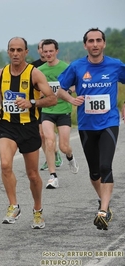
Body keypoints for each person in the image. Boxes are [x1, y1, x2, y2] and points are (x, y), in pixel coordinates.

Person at [57, 28, 125, 230]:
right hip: (87, 125)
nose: (95, 44)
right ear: (85, 45)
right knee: (94, 172)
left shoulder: (115, 65)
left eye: (98, 40)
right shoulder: (77, 66)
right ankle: (103, 202)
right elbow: (59, 89)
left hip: (109, 123)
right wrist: (70, 98)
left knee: (106, 167)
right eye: (91, 41)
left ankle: (103, 210)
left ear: (103, 44)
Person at [0, 37, 57, 229]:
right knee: (5, 164)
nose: (15, 53)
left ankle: (37, 210)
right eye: (12, 50)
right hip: (7, 126)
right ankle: (14, 205)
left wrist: (32, 103)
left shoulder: (34, 74)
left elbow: (52, 99)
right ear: (8, 51)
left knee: (33, 174)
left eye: (20, 50)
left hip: (29, 127)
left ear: (26, 52)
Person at [39, 39, 79, 189]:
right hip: (47, 110)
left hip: (63, 110)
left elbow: (75, 85)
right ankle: (53, 176)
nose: (48, 54)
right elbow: (35, 88)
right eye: (45, 51)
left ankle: (70, 157)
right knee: (49, 141)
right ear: (42, 52)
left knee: (64, 146)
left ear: (56, 51)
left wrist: (68, 91)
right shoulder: (40, 70)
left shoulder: (65, 67)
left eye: (51, 51)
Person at [31, 39, 63, 170]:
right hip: (40, 105)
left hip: (57, 106)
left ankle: (56, 153)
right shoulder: (34, 67)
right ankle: (49, 156)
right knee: (42, 135)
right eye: (41, 49)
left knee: (49, 134)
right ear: (39, 51)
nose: (45, 52)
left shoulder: (59, 66)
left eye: (50, 51)